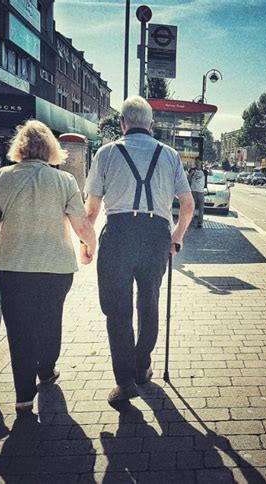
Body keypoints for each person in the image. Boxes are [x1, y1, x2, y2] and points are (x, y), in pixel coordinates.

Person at [0, 120, 96, 414]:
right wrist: (89, 246)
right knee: (49, 321)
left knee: (18, 332)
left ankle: (23, 397)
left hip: (12, 268)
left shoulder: (3, 177)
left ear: (20, 147)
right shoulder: (64, 181)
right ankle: (46, 370)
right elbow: (81, 224)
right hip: (55, 269)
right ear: (51, 149)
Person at [84, 96, 194, 404]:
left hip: (118, 234)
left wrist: (87, 243)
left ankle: (125, 381)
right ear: (151, 125)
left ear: (122, 124)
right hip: (156, 233)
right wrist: (176, 236)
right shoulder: (169, 155)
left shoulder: (106, 153)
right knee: (149, 302)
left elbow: (92, 208)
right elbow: (188, 205)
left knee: (117, 311)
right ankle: (142, 364)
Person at [188, 156, 207, 228]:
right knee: (192, 208)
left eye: (198, 161)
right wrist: (191, 174)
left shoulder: (204, 171)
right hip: (193, 191)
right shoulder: (192, 170)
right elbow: (188, 180)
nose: (197, 163)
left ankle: (200, 222)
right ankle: (191, 221)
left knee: (201, 208)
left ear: (201, 162)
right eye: (196, 161)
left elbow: (211, 174)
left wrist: (208, 168)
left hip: (201, 192)